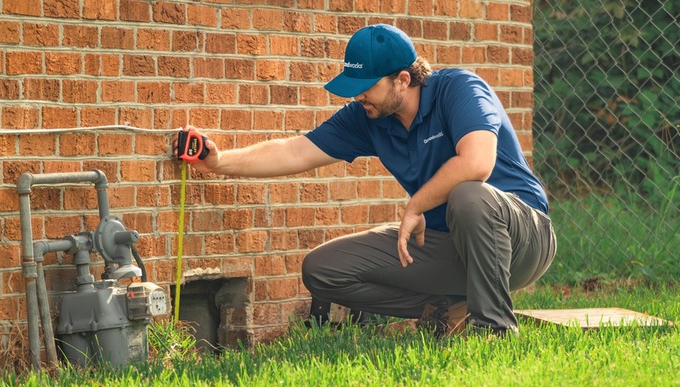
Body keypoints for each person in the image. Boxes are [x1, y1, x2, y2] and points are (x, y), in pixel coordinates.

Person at [189, 24, 556, 337]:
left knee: (468, 196)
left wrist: (417, 203)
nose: (357, 94)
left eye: (365, 85)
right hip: (449, 246)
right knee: (323, 270)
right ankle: (447, 308)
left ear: (403, 79)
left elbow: (477, 163)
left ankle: (493, 330)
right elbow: (296, 151)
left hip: (522, 237)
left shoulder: (459, 89)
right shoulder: (369, 116)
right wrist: (219, 162)